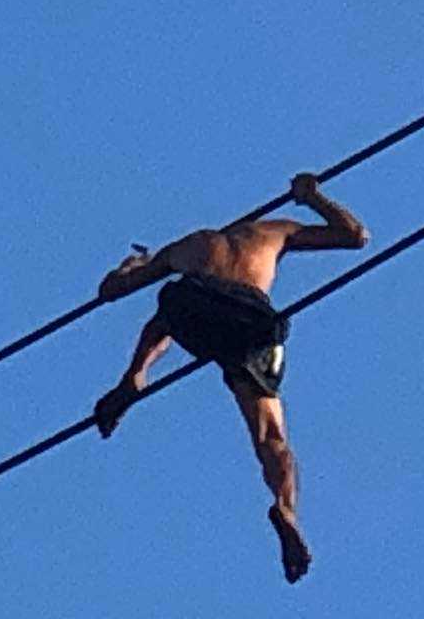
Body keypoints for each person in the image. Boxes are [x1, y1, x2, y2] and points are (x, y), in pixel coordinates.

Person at [90, 172, 370, 585]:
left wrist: (133, 265)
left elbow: (112, 290)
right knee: (272, 436)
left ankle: (136, 376)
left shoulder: (190, 245)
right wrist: (312, 196)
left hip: (198, 306)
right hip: (251, 325)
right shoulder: (274, 231)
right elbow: (355, 236)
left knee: (170, 306)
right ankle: (285, 507)